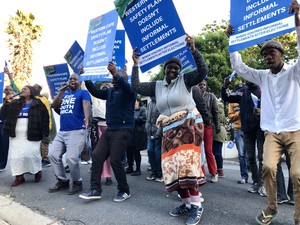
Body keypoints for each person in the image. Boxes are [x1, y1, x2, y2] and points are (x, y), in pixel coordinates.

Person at [227, 2, 300, 224]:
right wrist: (233, 41)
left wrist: (297, 22)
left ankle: (299, 216)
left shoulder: (295, 72)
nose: (268, 57)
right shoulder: (263, 76)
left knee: (297, 175)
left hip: (295, 130)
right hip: (271, 132)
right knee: (267, 167)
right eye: (265, 54)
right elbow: (240, 68)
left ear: (281, 54)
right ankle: (271, 206)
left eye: (272, 53)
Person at [131, 33, 208, 225]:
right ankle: (187, 203)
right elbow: (136, 85)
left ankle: (197, 206)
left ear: (180, 70)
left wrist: (193, 50)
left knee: (186, 165)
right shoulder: (156, 86)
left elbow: (202, 71)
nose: (173, 69)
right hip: (169, 129)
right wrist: (135, 64)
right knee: (171, 168)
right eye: (170, 67)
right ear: (164, 70)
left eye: (176, 67)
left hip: (189, 125)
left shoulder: (186, 80)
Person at [79, 62, 136, 202]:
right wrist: (85, 77)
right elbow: (95, 92)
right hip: (110, 129)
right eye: (113, 78)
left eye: (117, 78)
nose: (114, 80)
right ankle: (95, 189)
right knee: (97, 156)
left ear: (124, 79)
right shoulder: (110, 92)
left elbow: (125, 87)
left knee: (116, 160)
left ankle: (124, 190)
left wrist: (115, 73)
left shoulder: (130, 92)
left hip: (123, 129)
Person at [48, 73, 91, 195]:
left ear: (80, 82)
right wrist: (61, 91)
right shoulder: (65, 93)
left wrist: (87, 117)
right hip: (62, 131)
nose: (72, 80)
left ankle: (77, 182)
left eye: (75, 79)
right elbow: (54, 105)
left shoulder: (83, 93)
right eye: (70, 79)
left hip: (77, 130)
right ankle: (62, 181)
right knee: (53, 155)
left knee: (71, 158)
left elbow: (86, 104)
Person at [221, 79, 266, 197]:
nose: (248, 79)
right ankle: (256, 182)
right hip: (247, 129)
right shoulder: (242, 92)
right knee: (250, 157)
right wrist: (225, 86)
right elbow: (226, 97)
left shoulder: (263, 90)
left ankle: (262, 184)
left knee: (261, 157)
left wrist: (262, 111)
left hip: (260, 129)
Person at [1, 85, 49, 186]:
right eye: (22, 89)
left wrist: (45, 132)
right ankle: (19, 177)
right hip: (16, 135)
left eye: (25, 89)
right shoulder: (16, 102)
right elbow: (4, 113)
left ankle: (36, 171)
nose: (22, 90)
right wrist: (7, 102)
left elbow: (45, 117)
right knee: (16, 156)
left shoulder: (38, 103)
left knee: (32, 154)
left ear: (31, 92)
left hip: (33, 133)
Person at [89, 82, 113, 186]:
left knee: (108, 153)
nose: (105, 85)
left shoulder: (113, 96)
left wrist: (111, 87)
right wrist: (84, 75)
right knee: (95, 152)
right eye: (103, 85)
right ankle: (97, 175)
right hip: (96, 126)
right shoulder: (95, 97)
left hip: (108, 126)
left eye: (107, 85)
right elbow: (88, 88)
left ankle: (108, 175)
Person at [198, 80, 220, 183]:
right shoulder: (194, 96)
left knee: (208, 150)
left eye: (204, 84)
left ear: (206, 86)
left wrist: (217, 125)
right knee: (198, 150)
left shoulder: (211, 96)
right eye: (200, 84)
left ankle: (214, 173)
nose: (202, 86)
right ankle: (201, 173)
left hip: (208, 125)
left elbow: (215, 112)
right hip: (197, 125)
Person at [228, 101, 248, 184]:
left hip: (249, 129)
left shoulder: (248, 96)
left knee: (251, 155)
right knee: (241, 154)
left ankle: (256, 179)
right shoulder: (233, 101)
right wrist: (238, 114)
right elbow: (230, 116)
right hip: (238, 130)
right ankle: (244, 176)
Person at [126, 97, 147, 176]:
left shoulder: (143, 109)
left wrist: (132, 119)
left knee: (136, 151)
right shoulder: (130, 110)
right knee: (128, 151)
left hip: (138, 133)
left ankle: (138, 169)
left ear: (138, 102)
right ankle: (130, 167)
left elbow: (143, 119)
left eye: (135, 101)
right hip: (129, 133)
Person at [33, 83, 52, 167]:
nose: (33, 88)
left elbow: (47, 112)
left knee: (44, 142)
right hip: (34, 125)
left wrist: (48, 124)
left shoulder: (43, 99)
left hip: (43, 124)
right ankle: (38, 159)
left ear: (40, 89)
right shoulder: (31, 99)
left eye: (35, 87)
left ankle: (45, 159)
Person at [145, 96, 163, 182]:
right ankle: (153, 173)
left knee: (157, 154)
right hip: (150, 133)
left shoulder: (161, 103)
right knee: (150, 151)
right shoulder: (150, 104)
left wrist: (159, 133)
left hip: (158, 133)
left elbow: (163, 120)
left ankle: (159, 174)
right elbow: (147, 119)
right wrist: (147, 129)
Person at [212, 100, 227, 178]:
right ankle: (220, 170)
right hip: (222, 131)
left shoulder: (214, 110)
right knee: (218, 152)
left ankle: (217, 170)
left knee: (214, 152)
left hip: (215, 130)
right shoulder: (222, 111)